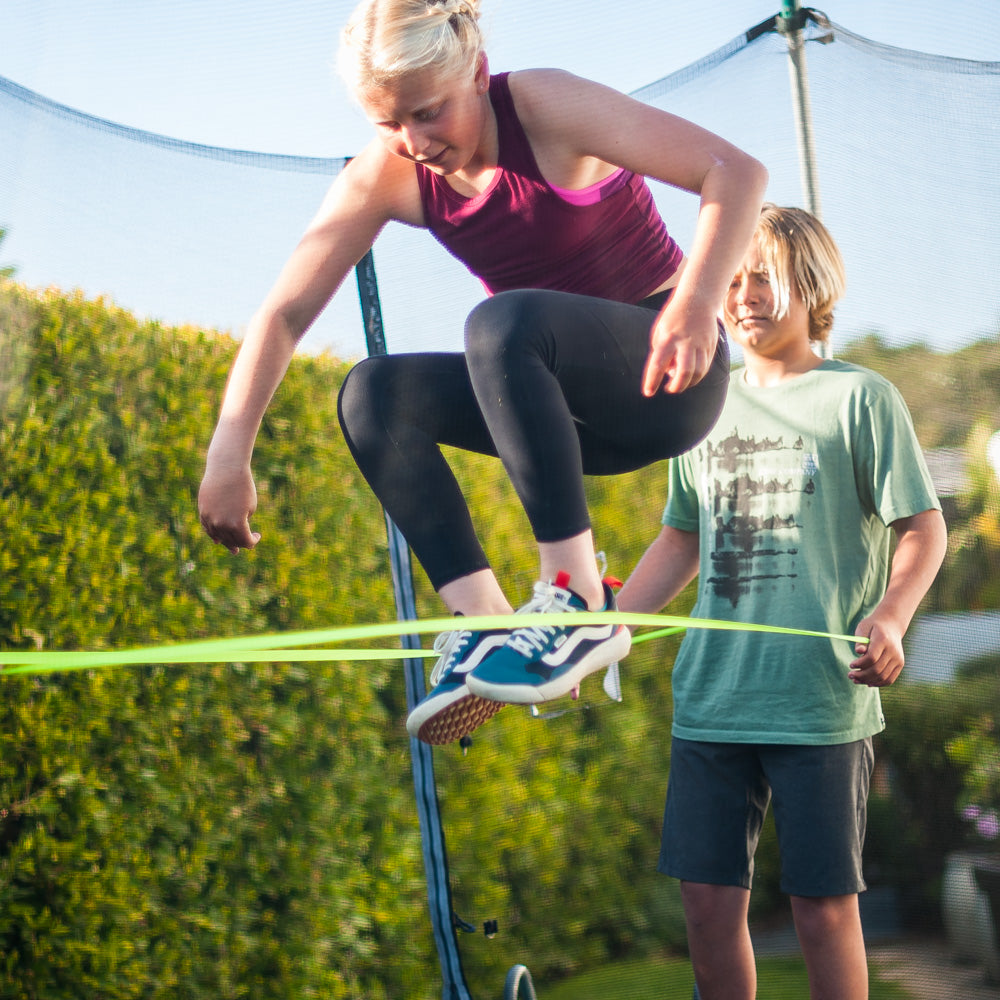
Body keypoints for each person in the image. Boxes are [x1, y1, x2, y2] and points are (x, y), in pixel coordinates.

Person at [197, 0, 768, 746]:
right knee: (373, 395)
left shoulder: (546, 106)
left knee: (498, 325)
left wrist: (695, 302)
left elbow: (736, 172)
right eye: (388, 123)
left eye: (428, 113)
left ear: (475, 69)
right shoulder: (391, 172)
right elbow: (284, 313)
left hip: (668, 382)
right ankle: (485, 625)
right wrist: (228, 450)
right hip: (564, 417)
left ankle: (575, 600)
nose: (413, 141)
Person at [618, 204, 947, 1000]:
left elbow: (925, 528)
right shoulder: (700, 403)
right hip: (713, 698)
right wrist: (607, 625)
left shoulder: (861, 399)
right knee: (705, 907)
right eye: (730, 279)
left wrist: (892, 616)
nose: (743, 294)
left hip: (820, 703)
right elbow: (681, 539)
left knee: (821, 912)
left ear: (812, 282)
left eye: (761, 275)